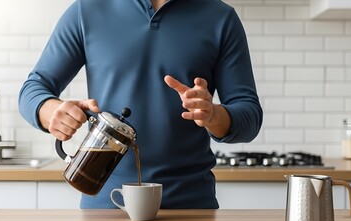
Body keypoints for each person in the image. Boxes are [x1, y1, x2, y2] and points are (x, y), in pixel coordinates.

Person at [19, 0, 262, 209]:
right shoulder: (87, 10)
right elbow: (33, 89)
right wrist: (50, 110)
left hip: (191, 208)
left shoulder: (221, 18)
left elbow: (249, 115)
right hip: (105, 209)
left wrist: (213, 116)